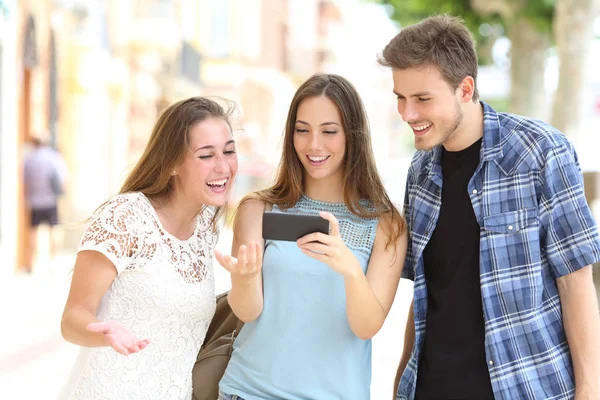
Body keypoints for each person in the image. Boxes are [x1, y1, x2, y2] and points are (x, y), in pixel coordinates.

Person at [378, 15, 600, 400]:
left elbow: (576, 283)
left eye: (422, 99)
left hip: (525, 388)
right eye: (400, 97)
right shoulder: (420, 171)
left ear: (465, 89)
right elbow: (426, 294)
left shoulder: (542, 153)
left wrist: (590, 391)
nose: (407, 114)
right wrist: (400, 384)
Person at [215, 73, 408, 400]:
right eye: (302, 131)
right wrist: (246, 278)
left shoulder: (386, 224)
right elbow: (247, 312)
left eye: (329, 131)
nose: (313, 145)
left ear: (353, 135)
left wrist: (349, 268)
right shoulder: (258, 209)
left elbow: (366, 327)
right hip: (248, 393)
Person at [59, 97, 239, 400]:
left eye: (229, 151)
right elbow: (72, 318)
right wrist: (102, 331)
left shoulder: (207, 227)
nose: (223, 166)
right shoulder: (125, 216)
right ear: (171, 163)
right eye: (206, 155)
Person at [23, 135, 67, 272]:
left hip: (35, 201)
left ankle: (32, 263)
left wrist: (27, 199)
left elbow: (25, 182)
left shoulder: (29, 159)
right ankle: (52, 263)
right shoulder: (54, 157)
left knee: (33, 231)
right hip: (51, 200)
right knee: (53, 229)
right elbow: (63, 178)